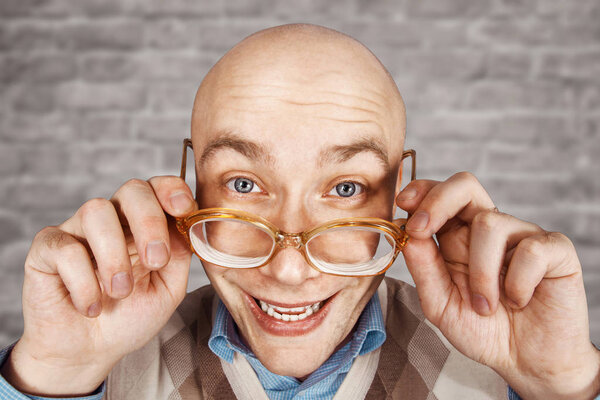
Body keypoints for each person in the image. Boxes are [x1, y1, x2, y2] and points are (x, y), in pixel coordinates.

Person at [0, 23, 598, 400]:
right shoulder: (102, 370)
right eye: (242, 182)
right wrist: (54, 375)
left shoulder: (499, 371)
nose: (289, 271)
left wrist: (563, 385)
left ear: (399, 200)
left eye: (345, 189)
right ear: (191, 192)